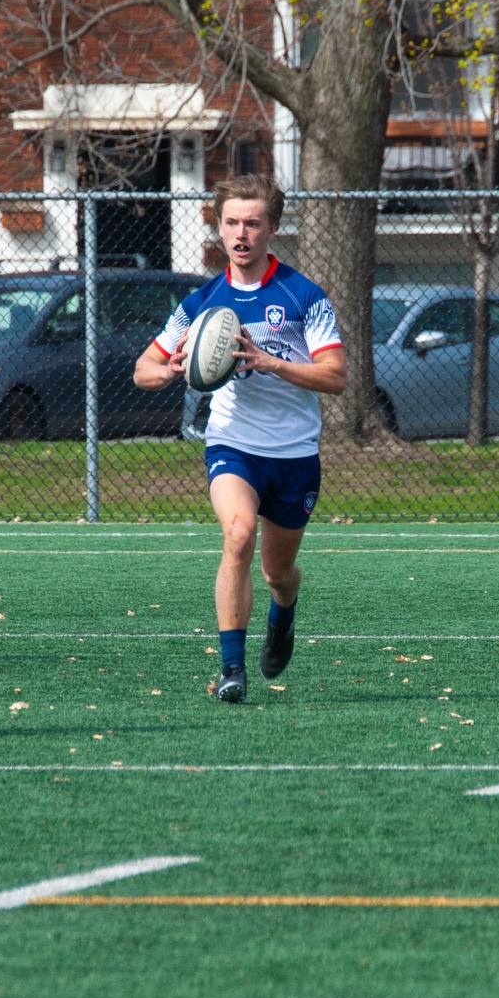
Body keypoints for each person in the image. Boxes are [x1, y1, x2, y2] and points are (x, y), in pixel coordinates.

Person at [134, 173, 346, 704]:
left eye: (253, 222)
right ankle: (232, 668)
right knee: (237, 535)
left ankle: (283, 616)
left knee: (278, 573)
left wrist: (271, 362)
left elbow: (336, 377)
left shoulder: (303, 297)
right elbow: (144, 367)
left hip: (295, 453)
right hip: (232, 442)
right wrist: (171, 370)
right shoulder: (202, 302)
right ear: (220, 227)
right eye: (231, 222)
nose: (241, 233)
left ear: (272, 228)